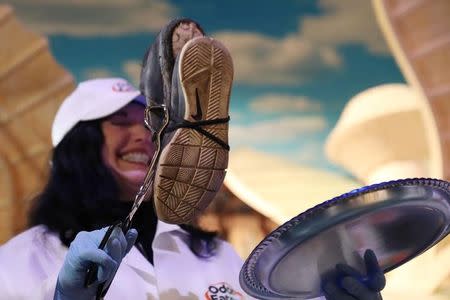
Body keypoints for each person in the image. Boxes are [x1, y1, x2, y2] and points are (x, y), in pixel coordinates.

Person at [0, 19, 385, 300]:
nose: (141, 135)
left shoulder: (215, 254)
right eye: (119, 122)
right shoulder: (22, 261)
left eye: (151, 125)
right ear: (76, 150)